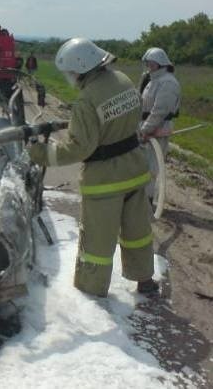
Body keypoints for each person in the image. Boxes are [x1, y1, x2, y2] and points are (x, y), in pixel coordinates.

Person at [28, 38, 158, 297]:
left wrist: (39, 152)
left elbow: (79, 148)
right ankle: (145, 280)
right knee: (138, 232)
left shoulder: (87, 100)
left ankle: (91, 291)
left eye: (71, 72)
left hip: (105, 182)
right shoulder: (123, 79)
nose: (70, 77)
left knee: (97, 242)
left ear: (81, 68)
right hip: (134, 171)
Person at [140, 47, 181, 205]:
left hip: (157, 131)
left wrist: (145, 130)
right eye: (147, 63)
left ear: (160, 63)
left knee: (151, 167)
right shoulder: (153, 80)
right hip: (148, 129)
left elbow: (159, 111)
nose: (148, 66)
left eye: (150, 63)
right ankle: (140, 200)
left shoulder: (168, 83)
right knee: (143, 166)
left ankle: (147, 201)